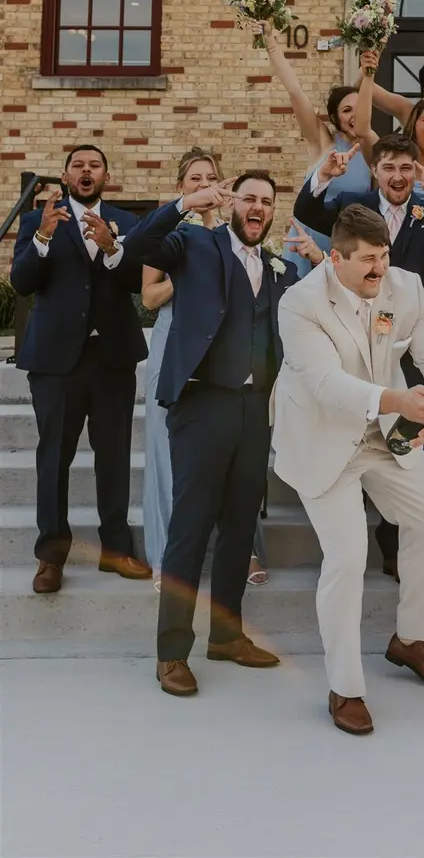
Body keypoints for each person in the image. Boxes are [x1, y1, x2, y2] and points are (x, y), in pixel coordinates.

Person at [123, 170, 320, 698]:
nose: (257, 207)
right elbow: (137, 246)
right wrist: (186, 202)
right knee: (191, 528)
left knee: (238, 525)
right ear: (232, 203)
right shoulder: (195, 242)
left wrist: (322, 267)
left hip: (256, 409)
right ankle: (171, 654)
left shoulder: (279, 267)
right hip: (202, 403)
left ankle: (228, 637)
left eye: (266, 201)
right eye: (249, 198)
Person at [272, 204, 424, 736]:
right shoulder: (301, 302)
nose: (380, 271)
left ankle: (413, 640)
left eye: (384, 258)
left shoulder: (407, 288)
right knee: (349, 555)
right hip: (322, 436)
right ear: (336, 258)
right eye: (368, 262)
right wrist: (399, 400)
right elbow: (327, 387)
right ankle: (344, 687)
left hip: (386, 432)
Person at [294, 134, 424, 577]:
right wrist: (322, 178)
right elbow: (307, 212)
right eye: (389, 167)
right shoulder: (353, 202)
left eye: (406, 168)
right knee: (362, 435)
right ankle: (355, 537)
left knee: (410, 446)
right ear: (377, 172)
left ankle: (400, 550)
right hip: (361, 346)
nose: (398, 176)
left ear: (415, 172)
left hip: (412, 340)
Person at [10, 145, 152, 593]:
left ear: (106, 175)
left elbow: (136, 282)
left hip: (112, 358)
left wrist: (113, 248)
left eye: (94, 166)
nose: (86, 172)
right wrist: (44, 238)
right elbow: (21, 282)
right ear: (66, 174)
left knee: (114, 456)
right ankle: (51, 554)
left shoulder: (127, 223)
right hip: (55, 362)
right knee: (54, 457)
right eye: (78, 165)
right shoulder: (38, 220)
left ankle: (116, 549)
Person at [141, 147, 269, 588]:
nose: (204, 184)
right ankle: (165, 556)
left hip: (227, 357)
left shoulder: (235, 232)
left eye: (210, 177)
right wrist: (193, 278)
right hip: (177, 343)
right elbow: (150, 296)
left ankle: (244, 552)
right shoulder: (176, 233)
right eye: (194, 178)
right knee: (170, 456)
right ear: (182, 187)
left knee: (237, 460)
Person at [258, 22, 370, 268]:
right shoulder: (324, 142)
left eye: (358, 108)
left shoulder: (371, 151)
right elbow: (296, 92)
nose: (353, 115)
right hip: (305, 241)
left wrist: (367, 68)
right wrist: (271, 42)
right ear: (335, 118)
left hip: (343, 248)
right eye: (346, 110)